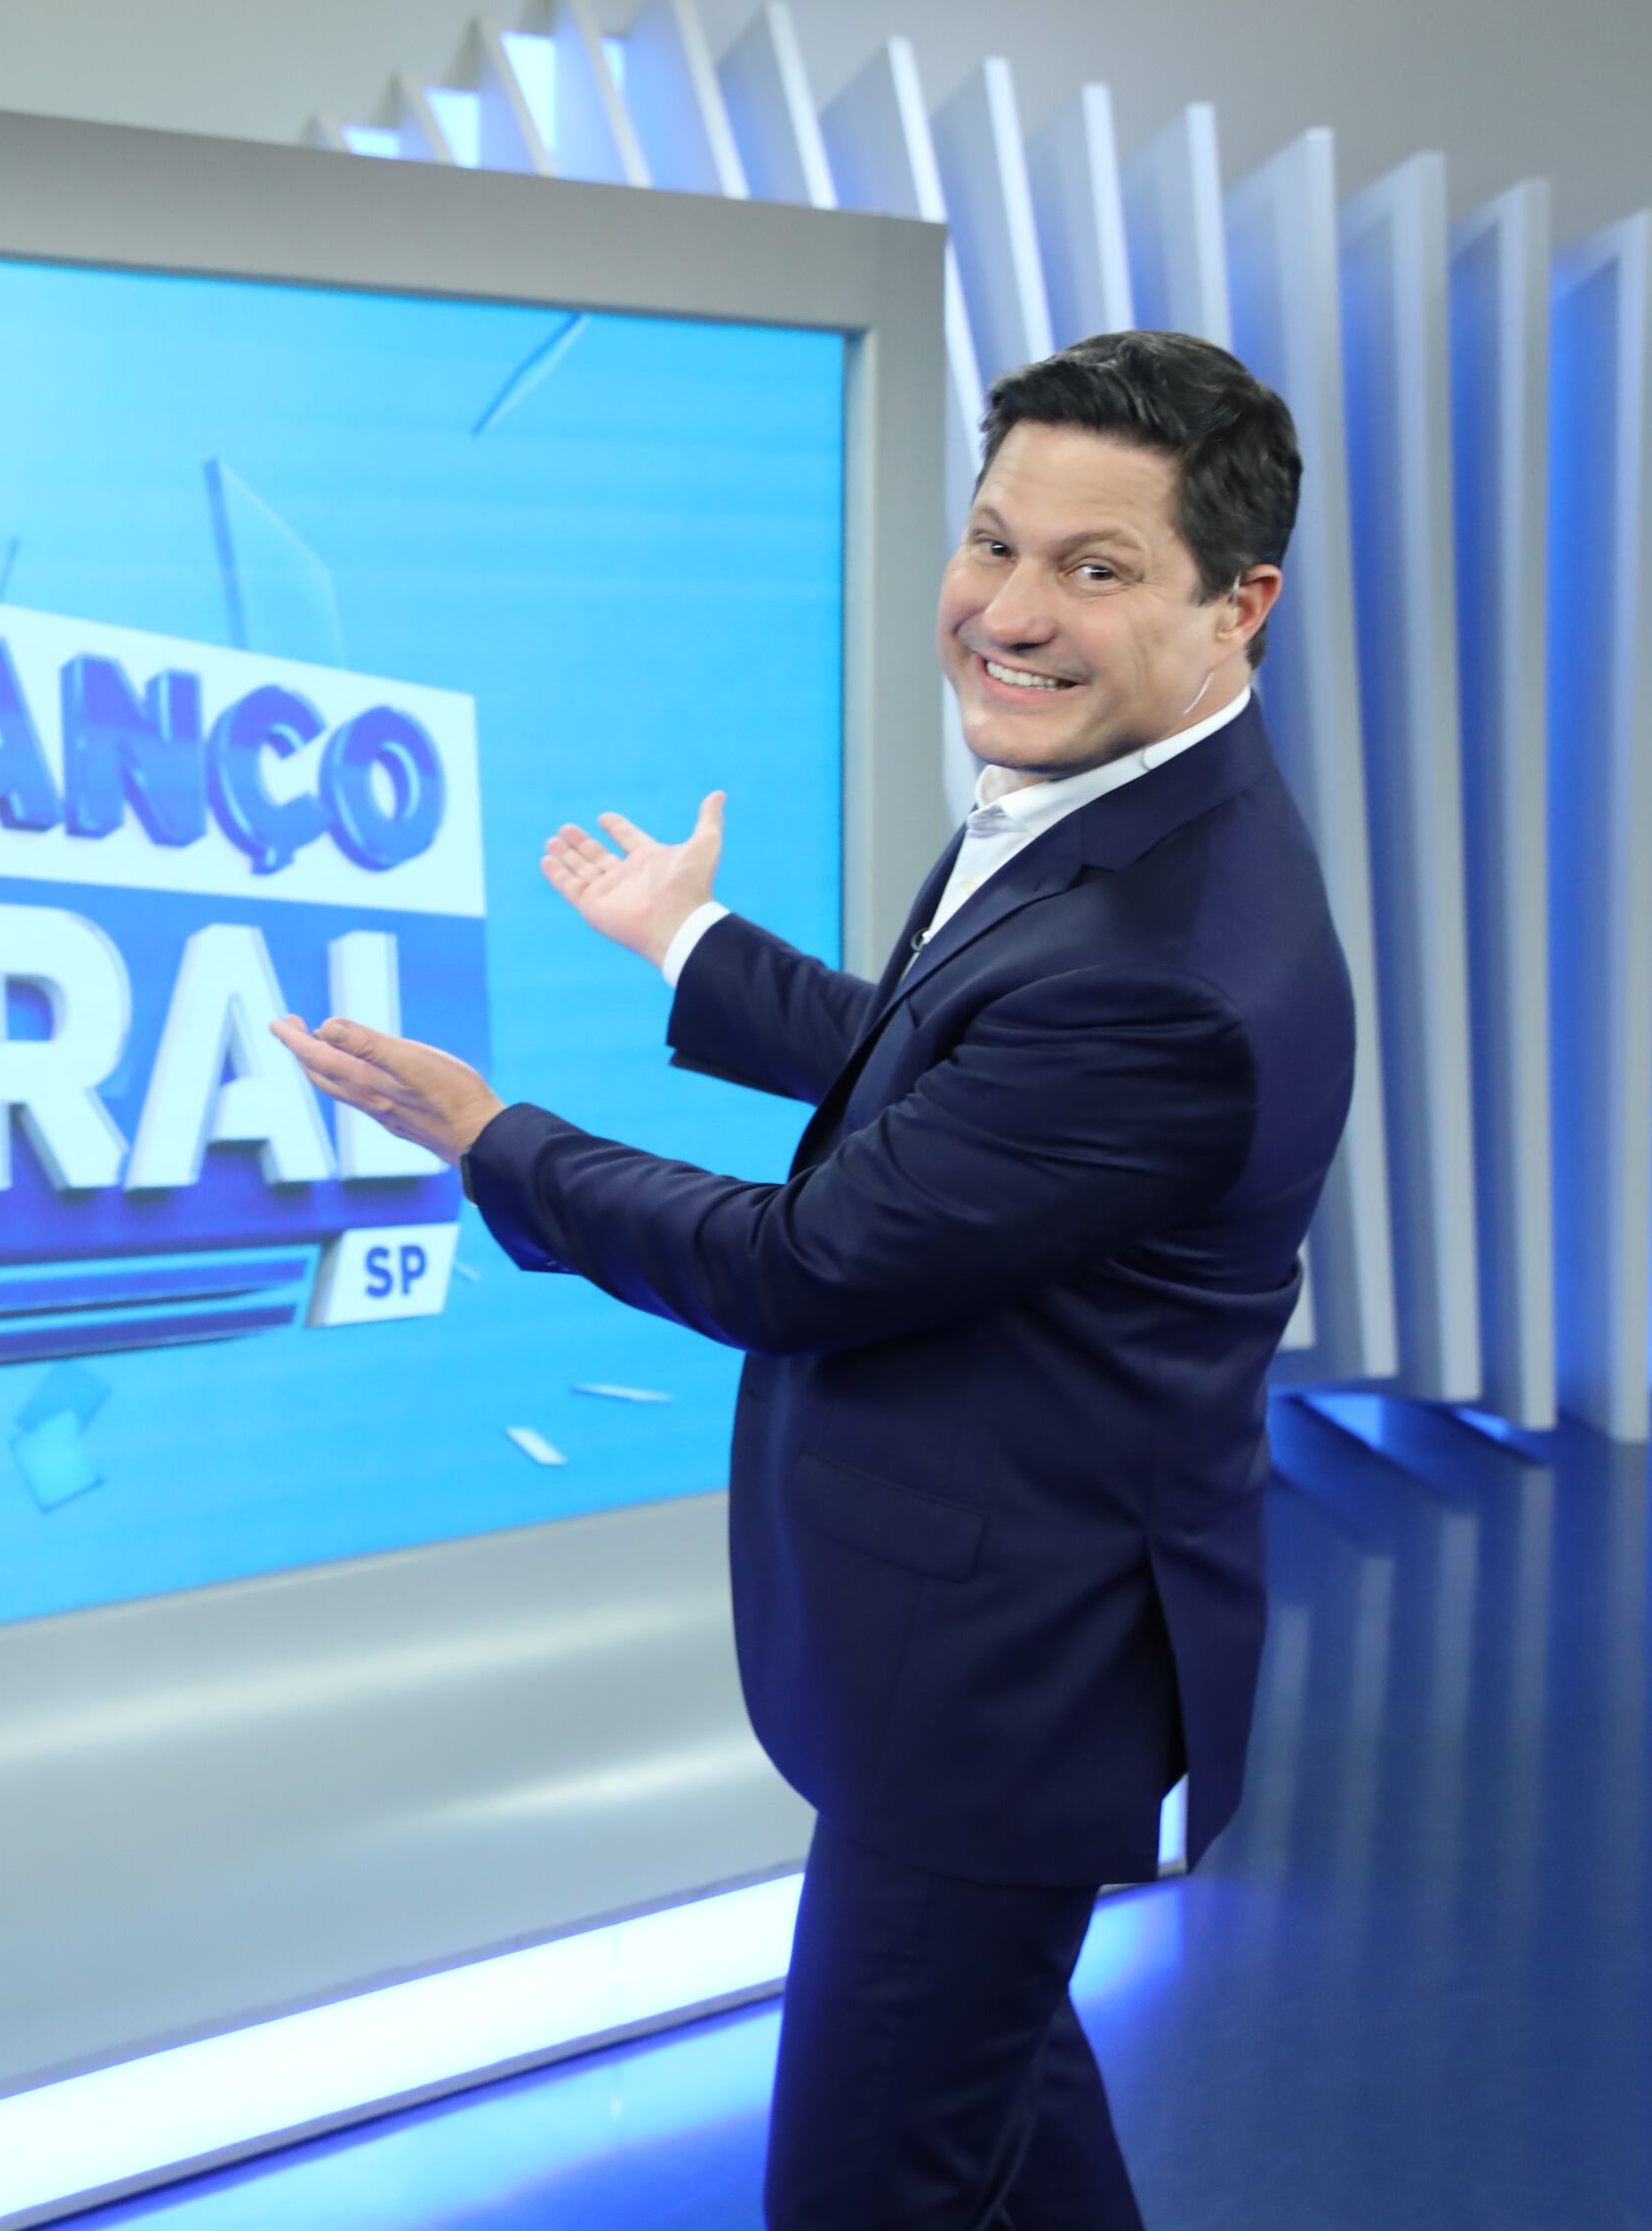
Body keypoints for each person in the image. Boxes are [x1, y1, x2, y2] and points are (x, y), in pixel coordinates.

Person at [271, 329, 1352, 2228]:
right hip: (980, 1657)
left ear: (1235, 605)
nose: (1009, 613)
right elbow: (960, 1073)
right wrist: (688, 939)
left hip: (999, 1694)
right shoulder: (1128, 809)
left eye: (1094, 568)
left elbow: (808, 1263)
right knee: (1001, 2104)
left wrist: (490, 1136)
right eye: (994, 543)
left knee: (872, 2188)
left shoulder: (1168, 969)